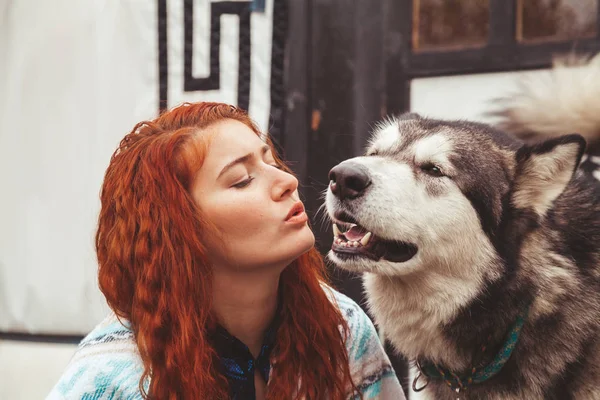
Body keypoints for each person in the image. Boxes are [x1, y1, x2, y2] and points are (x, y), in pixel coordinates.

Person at [47, 102, 405, 400]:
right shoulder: (111, 375)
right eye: (242, 180)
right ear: (178, 230)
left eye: (271, 162)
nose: (287, 182)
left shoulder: (340, 329)